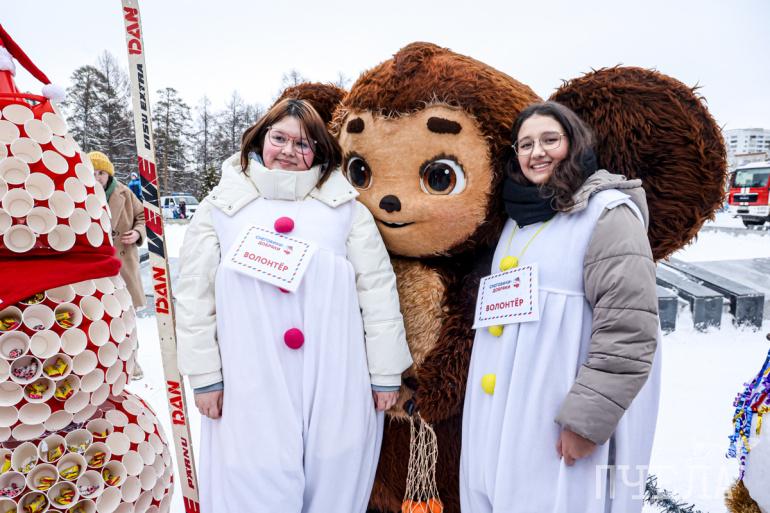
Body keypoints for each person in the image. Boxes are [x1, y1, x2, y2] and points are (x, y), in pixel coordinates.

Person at [175, 98, 413, 513]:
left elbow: (377, 293)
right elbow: (195, 296)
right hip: (248, 382)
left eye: (302, 143)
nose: (288, 150)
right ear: (259, 139)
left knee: (333, 486)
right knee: (253, 486)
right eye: (279, 138)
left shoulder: (346, 212)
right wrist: (205, 377)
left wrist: (385, 373)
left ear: (319, 151)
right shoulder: (220, 209)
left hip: (335, 380)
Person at [460, 101, 661, 513]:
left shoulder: (607, 213)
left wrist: (586, 421)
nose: (537, 152)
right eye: (525, 144)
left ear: (575, 143)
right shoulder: (518, 217)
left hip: (559, 413)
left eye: (550, 140)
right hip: (504, 416)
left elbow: (628, 328)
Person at [89, 151, 147, 380]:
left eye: (101, 173)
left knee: (127, 314)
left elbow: (143, 216)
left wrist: (137, 233)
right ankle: (103, 363)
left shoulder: (125, 192)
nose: (96, 178)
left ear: (108, 174)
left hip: (122, 262)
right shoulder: (78, 193)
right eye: (92, 173)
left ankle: (132, 361)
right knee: (100, 316)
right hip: (95, 265)